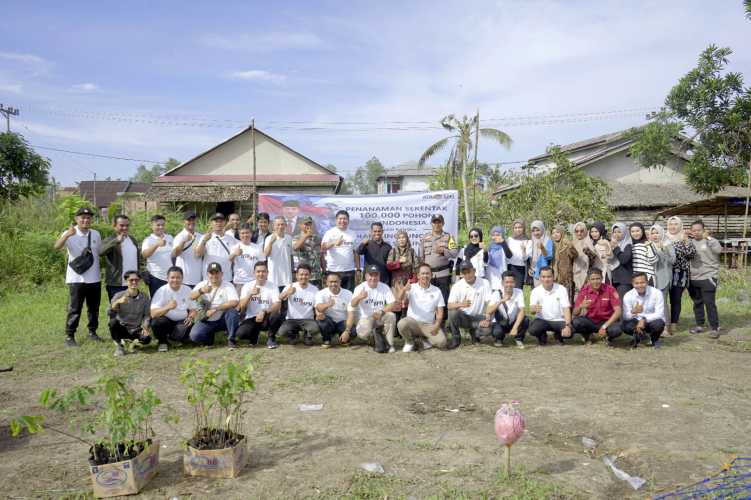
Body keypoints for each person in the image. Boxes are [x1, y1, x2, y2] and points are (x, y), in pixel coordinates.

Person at [55, 207, 103, 347]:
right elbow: (56, 246)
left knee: (93, 308)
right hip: (76, 279)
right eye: (82, 217)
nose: (85, 220)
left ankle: (92, 332)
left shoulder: (96, 234)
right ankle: (70, 336)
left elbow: (99, 251)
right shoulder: (70, 233)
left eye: (88, 218)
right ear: (76, 219)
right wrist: (67, 235)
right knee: (74, 308)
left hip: (94, 277)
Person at [343, 265, 398, 353]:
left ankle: (389, 344)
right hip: (366, 318)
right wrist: (359, 297)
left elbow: (392, 303)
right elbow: (352, 305)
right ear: (366, 276)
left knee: (391, 315)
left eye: (376, 275)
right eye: (370, 275)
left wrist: (382, 311)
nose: (373, 278)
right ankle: (374, 337)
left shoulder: (384, 287)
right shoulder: (360, 287)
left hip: (379, 316)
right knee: (362, 334)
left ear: (379, 276)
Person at [396, 263, 448, 351]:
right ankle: (410, 342)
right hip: (413, 322)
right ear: (418, 276)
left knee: (442, 342)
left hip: (428, 324)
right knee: (402, 324)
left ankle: (423, 341)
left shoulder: (437, 290)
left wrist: (437, 325)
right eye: (423, 273)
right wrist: (404, 290)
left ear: (431, 275)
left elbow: (440, 312)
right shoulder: (412, 287)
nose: (425, 276)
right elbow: (399, 299)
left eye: (427, 273)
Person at [189, 262, 240, 347]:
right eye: (211, 273)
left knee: (232, 313)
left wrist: (216, 308)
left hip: (222, 319)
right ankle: (209, 339)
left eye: (217, 272)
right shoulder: (202, 284)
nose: (214, 275)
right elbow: (190, 296)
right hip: (206, 319)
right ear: (207, 274)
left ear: (222, 274)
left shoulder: (228, 285)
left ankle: (231, 339)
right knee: (195, 336)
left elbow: (234, 301)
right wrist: (201, 291)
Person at [446, 262, 494, 348]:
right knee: (452, 312)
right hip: (464, 318)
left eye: (469, 272)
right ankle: (456, 338)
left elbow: (490, 303)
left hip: (479, 317)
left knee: (488, 330)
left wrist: (488, 317)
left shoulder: (485, 283)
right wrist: (461, 304)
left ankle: (475, 334)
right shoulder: (457, 286)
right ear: (461, 274)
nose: (467, 275)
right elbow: (449, 306)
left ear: (474, 271)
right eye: (464, 273)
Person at [687, 220, 721, 338]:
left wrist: (709, 239)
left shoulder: (711, 241)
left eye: (699, 230)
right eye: (694, 230)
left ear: (704, 230)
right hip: (693, 277)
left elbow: (718, 250)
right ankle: (699, 325)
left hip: (708, 276)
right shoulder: (689, 242)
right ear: (691, 231)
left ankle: (714, 328)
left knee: (709, 303)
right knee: (697, 302)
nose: (696, 232)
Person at [150, 266, 196, 352]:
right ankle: (162, 342)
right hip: (166, 322)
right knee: (156, 322)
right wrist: (168, 307)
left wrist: (190, 317)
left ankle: (174, 339)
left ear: (182, 278)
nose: (175, 280)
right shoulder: (161, 291)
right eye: (172, 277)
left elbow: (193, 309)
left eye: (178, 277)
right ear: (167, 278)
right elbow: (153, 313)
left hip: (182, 321)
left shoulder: (188, 289)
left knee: (190, 324)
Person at [236, 261, 282, 348]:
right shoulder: (247, 286)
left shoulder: (273, 286)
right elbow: (242, 305)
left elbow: (278, 305)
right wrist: (250, 294)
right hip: (252, 318)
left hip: (266, 317)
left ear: (267, 273)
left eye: (263, 271)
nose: (261, 274)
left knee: (276, 315)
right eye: (258, 272)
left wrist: (264, 311)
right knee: (240, 334)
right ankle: (254, 335)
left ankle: (271, 337)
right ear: (254, 273)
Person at [572, 268, 622, 346]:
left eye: (598, 278)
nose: (596, 281)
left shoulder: (610, 289)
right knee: (576, 322)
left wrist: (604, 326)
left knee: (617, 329)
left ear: (602, 278)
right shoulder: (584, 291)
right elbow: (575, 313)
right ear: (589, 280)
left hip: (607, 321)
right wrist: (581, 306)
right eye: (593, 279)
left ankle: (608, 338)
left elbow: (618, 311)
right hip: (591, 321)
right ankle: (588, 337)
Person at [108, 270, 151, 357]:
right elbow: (109, 312)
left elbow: (147, 315)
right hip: (122, 327)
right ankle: (119, 345)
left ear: (139, 281)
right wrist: (118, 302)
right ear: (126, 281)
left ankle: (131, 342)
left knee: (147, 339)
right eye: (131, 280)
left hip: (136, 329)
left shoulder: (145, 297)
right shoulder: (119, 295)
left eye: (136, 280)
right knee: (112, 323)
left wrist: (145, 327)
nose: (134, 282)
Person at [665, 216, 696, 335]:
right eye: (670, 224)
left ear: (680, 225)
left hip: (680, 273)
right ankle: (665, 322)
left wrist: (686, 241)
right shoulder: (663, 237)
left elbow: (691, 254)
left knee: (675, 299)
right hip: (665, 272)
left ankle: (674, 323)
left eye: (675, 224)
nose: (672, 226)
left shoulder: (684, 237)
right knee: (662, 298)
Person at [419, 214, 458, 307]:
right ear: (431, 224)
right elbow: (421, 257)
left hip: (443, 274)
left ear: (443, 223)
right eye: (434, 222)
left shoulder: (449, 237)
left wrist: (444, 251)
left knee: (443, 298)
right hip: (429, 275)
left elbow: (454, 253)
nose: (437, 224)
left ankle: (443, 320)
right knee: (428, 298)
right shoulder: (425, 238)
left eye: (439, 222)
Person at [277, 263, 321, 345]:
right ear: (296, 275)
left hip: (308, 319)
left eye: (306, 274)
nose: (303, 277)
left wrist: (319, 314)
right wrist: (287, 292)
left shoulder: (315, 290)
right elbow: (279, 298)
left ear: (310, 276)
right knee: (282, 332)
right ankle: (293, 335)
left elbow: (317, 306)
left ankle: (307, 335)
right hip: (291, 319)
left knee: (316, 328)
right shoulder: (290, 286)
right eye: (301, 274)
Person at [101, 214, 141, 301]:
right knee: (116, 311)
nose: (125, 228)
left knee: (131, 310)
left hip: (132, 282)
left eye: (127, 225)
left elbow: (137, 259)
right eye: (121, 225)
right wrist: (116, 241)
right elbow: (100, 251)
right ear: (114, 226)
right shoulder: (110, 239)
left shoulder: (132, 239)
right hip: (117, 284)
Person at [528, 266, 572, 345]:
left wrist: (568, 325)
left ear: (553, 277)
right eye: (543, 277)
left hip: (559, 320)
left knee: (570, 332)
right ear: (540, 278)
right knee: (532, 330)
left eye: (549, 276)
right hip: (542, 320)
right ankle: (542, 336)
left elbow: (566, 308)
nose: (546, 279)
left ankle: (558, 336)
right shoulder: (535, 291)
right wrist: (534, 309)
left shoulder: (561, 289)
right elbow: (532, 310)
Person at [621, 272, 665, 348]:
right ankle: (639, 337)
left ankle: (654, 339)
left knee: (659, 324)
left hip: (651, 321)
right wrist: (633, 312)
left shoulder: (657, 293)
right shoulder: (628, 295)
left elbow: (660, 314)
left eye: (642, 282)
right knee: (626, 326)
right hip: (635, 321)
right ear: (632, 284)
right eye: (636, 283)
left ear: (647, 282)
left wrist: (644, 319)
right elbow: (625, 316)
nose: (640, 285)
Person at [486, 271, 528, 348]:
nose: (509, 284)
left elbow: (522, 310)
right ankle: (499, 339)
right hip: (501, 322)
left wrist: (515, 328)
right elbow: (488, 311)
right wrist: (501, 301)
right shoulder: (496, 293)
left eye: (511, 282)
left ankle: (519, 339)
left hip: (512, 322)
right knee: (497, 332)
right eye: (507, 282)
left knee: (525, 320)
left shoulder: (519, 292)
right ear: (502, 283)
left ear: (515, 283)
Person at [321, 210, 359, 291]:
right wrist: (334, 242)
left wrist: (358, 269)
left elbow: (355, 252)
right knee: (333, 296)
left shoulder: (352, 233)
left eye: (345, 219)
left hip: (349, 271)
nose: (342, 221)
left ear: (348, 220)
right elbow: (323, 247)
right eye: (340, 219)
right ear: (336, 220)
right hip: (334, 271)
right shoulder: (330, 233)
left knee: (349, 296)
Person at [315, 272, 354, 348]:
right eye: (331, 282)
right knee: (322, 320)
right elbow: (318, 308)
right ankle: (326, 339)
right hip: (329, 322)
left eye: (335, 282)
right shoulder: (321, 293)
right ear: (326, 282)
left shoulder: (348, 293)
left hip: (342, 322)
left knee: (353, 331)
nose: (333, 284)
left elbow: (351, 313)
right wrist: (327, 305)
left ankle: (343, 337)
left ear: (340, 282)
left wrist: (347, 331)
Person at [195, 213, 238, 281]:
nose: (218, 223)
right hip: (209, 278)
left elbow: (233, 259)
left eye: (221, 221)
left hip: (226, 277)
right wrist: (204, 241)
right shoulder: (205, 237)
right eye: (216, 221)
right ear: (211, 223)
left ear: (224, 223)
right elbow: (198, 254)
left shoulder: (231, 239)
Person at [141, 214, 174, 297]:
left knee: (170, 300)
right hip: (155, 276)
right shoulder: (148, 240)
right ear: (152, 226)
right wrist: (156, 245)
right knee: (156, 302)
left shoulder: (170, 237)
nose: (161, 227)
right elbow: (144, 255)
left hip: (170, 276)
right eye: (158, 225)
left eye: (162, 225)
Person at [650, 224, 676, 325]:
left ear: (661, 233)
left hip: (663, 277)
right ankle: (654, 325)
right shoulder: (649, 245)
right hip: (651, 277)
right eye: (652, 233)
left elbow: (673, 261)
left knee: (662, 302)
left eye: (657, 233)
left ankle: (666, 326)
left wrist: (661, 251)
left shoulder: (667, 244)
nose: (655, 235)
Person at [172, 211, 204, 287]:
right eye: (188, 220)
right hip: (183, 279)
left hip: (197, 278)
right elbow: (175, 254)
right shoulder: (179, 237)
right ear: (184, 222)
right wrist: (184, 241)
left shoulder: (200, 236)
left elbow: (200, 255)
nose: (191, 222)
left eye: (193, 220)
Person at [230, 223, 265, 293]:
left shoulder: (258, 248)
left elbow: (262, 264)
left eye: (247, 233)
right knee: (240, 303)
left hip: (254, 282)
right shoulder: (235, 247)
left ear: (251, 234)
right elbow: (229, 260)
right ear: (239, 235)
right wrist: (234, 254)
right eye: (242, 233)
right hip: (239, 282)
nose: (245, 235)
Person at [264, 216, 294, 290]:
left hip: (287, 278)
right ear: (273, 226)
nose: (280, 227)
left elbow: (291, 256)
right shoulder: (269, 238)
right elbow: (266, 254)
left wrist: (293, 272)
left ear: (285, 225)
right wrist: (271, 242)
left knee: (286, 301)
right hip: (273, 278)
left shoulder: (289, 238)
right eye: (278, 224)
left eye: (282, 224)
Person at [551, 224, 578, 305]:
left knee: (566, 302)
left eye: (557, 232)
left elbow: (575, 255)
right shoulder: (551, 245)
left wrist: (570, 245)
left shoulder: (566, 245)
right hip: (554, 278)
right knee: (555, 301)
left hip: (566, 278)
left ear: (562, 233)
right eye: (553, 233)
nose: (555, 235)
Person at [293, 216, 323, 288]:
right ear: (300, 225)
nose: (308, 226)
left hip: (316, 275)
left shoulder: (317, 238)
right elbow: (295, 247)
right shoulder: (296, 238)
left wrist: (324, 269)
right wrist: (306, 236)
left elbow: (321, 254)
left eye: (309, 224)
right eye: (305, 224)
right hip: (304, 276)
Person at [609, 222, 633, 301]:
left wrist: (616, 248)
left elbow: (624, 260)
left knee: (623, 305)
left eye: (619, 232)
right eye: (614, 232)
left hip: (624, 281)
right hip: (613, 280)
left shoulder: (628, 245)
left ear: (624, 232)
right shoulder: (610, 245)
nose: (616, 234)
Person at [506, 219, 531, 289]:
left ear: (523, 228)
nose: (518, 229)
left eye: (520, 227)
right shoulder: (509, 240)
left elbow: (526, 258)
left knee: (518, 289)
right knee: (508, 289)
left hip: (520, 268)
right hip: (509, 267)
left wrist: (523, 251)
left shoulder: (528, 241)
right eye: (515, 228)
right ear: (513, 229)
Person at [485, 226, 512, 291]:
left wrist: (503, 243)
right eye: (493, 235)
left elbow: (509, 255)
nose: (495, 237)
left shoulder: (505, 245)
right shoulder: (490, 246)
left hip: (501, 273)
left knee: (501, 290)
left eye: (498, 235)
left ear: (502, 235)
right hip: (491, 273)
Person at [571, 221, 595, 293]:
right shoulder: (572, 243)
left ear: (585, 231)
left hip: (587, 274)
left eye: (581, 231)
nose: (579, 233)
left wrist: (588, 251)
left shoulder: (589, 242)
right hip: (574, 274)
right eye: (577, 231)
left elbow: (593, 258)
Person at [529, 220, 553, 287]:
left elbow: (549, 257)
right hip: (534, 273)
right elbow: (531, 257)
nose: (535, 233)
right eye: (533, 231)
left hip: (545, 274)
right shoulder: (532, 241)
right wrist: (530, 267)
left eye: (538, 230)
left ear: (542, 229)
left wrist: (542, 248)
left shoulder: (548, 241)